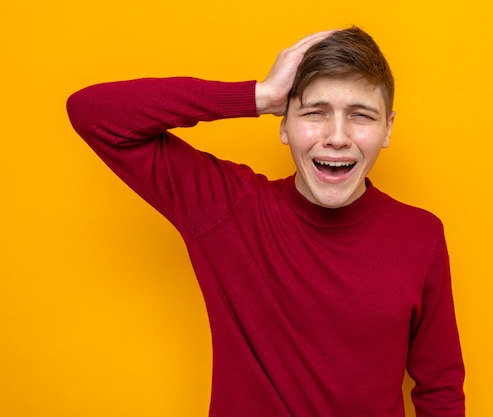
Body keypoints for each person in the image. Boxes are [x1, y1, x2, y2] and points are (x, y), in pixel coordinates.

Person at [67, 27, 465, 417]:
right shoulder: (229, 209)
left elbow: (440, 389)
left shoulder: (421, 236)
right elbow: (93, 113)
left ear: (388, 129)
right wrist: (258, 95)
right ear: (283, 124)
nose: (338, 137)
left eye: (360, 116)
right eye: (315, 113)